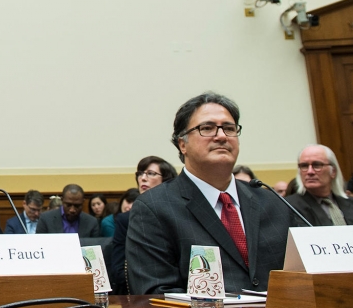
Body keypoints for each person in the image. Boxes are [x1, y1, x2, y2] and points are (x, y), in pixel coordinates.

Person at [127, 92, 298, 295]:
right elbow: (156, 293)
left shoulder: (274, 203)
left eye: (229, 128)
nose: (221, 136)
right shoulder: (154, 208)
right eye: (207, 128)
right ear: (183, 144)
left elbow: (300, 277)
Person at [110, 156, 178, 294]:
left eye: (151, 173)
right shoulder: (125, 219)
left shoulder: (178, 215)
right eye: (140, 173)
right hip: (139, 292)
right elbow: (118, 269)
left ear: (166, 180)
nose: (143, 178)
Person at [284, 145, 353, 226]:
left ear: (333, 171)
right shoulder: (288, 206)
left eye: (317, 165)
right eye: (304, 166)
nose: (310, 171)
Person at [36, 184, 101, 238]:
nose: (72, 210)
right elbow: (40, 245)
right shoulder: (46, 219)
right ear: (62, 200)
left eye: (77, 206)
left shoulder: (92, 222)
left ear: (83, 202)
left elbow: (95, 249)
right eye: (68, 205)